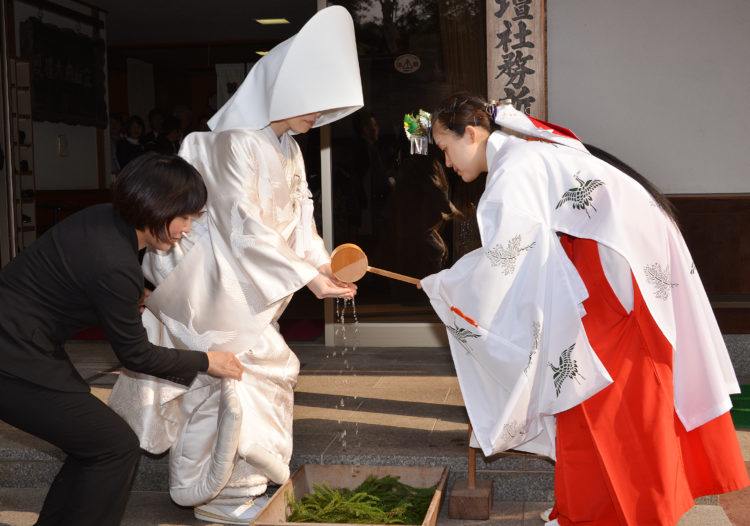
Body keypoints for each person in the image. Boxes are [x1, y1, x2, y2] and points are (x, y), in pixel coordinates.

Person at [419, 93, 749, 525]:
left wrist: (446, 288)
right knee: (577, 389)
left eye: (445, 148)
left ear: (472, 133)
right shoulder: (527, 153)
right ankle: (587, 509)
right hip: (613, 262)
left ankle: (637, 511)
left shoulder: (515, 169)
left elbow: (504, 261)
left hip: (614, 276)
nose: (447, 163)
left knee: (613, 395)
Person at [108, 6, 363, 525]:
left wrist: (322, 265)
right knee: (234, 381)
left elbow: (300, 221)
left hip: (244, 288)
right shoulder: (234, 141)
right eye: (314, 104)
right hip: (209, 286)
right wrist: (308, 277)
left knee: (240, 382)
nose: (319, 115)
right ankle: (218, 498)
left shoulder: (287, 148)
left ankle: (230, 490)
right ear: (283, 93)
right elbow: (243, 223)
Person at [0, 152, 244, 526]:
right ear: (155, 208)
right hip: (14, 356)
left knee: (95, 445)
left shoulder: (104, 218)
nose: (187, 228)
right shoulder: (116, 264)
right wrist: (208, 361)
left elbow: (76, 282)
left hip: (22, 341)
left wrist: (129, 296)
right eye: (184, 217)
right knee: (113, 446)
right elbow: (136, 355)